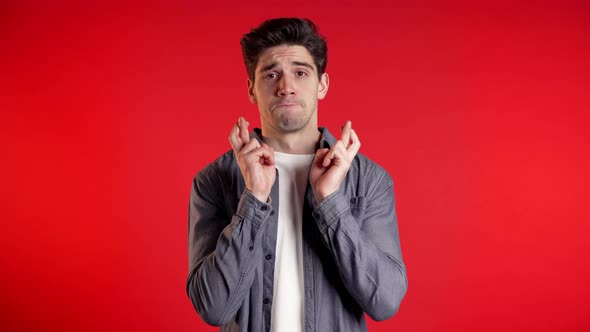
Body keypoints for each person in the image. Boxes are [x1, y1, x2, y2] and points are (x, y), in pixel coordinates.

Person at [186, 18, 407, 332]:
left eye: (300, 73)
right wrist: (253, 198)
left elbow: (384, 301)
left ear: (322, 84)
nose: (285, 86)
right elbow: (213, 308)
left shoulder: (369, 180)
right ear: (251, 88)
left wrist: (330, 202)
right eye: (271, 73)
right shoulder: (214, 180)